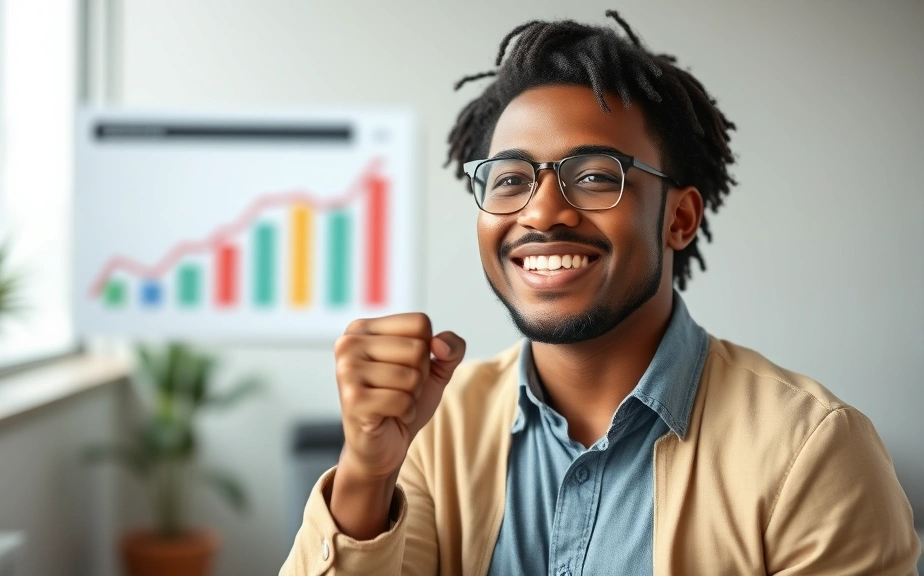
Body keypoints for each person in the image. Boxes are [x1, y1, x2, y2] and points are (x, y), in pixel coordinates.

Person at [281, 11, 920, 575]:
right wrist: (367, 472)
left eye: (593, 176)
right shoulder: (435, 431)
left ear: (680, 218)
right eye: (510, 179)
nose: (542, 212)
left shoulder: (812, 451)